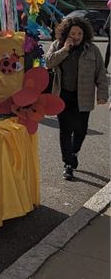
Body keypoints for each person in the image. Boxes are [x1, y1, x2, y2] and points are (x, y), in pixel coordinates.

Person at [45, 16, 108, 180]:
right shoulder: (57, 45)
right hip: (63, 95)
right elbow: (48, 63)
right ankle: (68, 164)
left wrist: (102, 94)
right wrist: (65, 50)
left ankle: (73, 152)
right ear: (66, 33)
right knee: (65, 131)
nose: (76, 36)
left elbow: (100, 73)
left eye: (79, 33)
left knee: (81, 130)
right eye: (73, 33)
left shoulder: (91, 49)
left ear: (84, 34)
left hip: (84, 96)